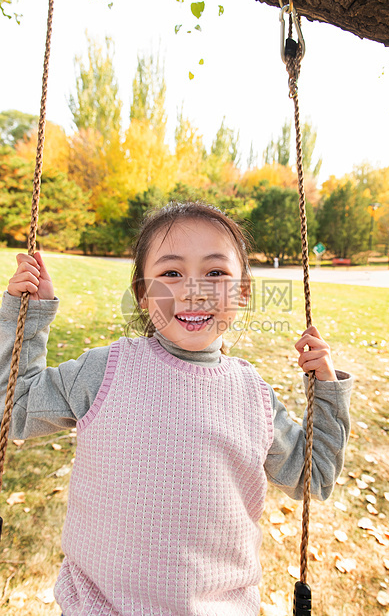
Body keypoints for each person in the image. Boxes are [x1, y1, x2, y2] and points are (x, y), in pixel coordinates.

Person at [0, 201, 353, 616]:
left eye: (216, 273)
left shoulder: (253, 396)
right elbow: (16, 408)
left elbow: (315, 477)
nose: (193, 290)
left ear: (242, 292)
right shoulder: (104, 372)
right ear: (143, 294)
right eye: (171, 273)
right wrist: (28, 316)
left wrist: (326, 389)